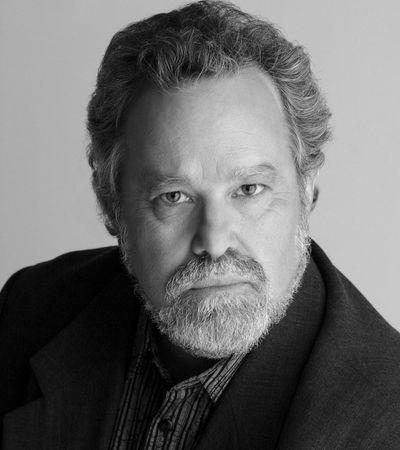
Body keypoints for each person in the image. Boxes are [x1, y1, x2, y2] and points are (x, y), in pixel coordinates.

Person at [1, 1, 399, 448]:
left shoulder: (386, 416)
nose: (214, 241)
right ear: (110, 205)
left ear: (307, 188)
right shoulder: (30, 310)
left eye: (249, 189)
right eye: (174, 196)